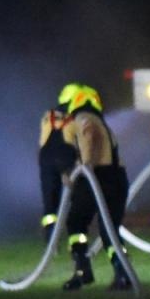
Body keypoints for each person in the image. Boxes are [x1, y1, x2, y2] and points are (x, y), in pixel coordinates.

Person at [55, 85, 133, 291]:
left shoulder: (83, 118)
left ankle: (82, 271)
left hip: (97, 177)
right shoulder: (103, 122)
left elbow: (88, 134)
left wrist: (84, 165)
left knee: (76, 223)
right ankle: (122, 272)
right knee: (110, 230)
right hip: (118, 178)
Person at [37, 83, 84, 233]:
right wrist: (68, 169)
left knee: (49, 198)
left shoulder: (47, 116)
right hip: (66, 158)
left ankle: (50, 236)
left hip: (46, 158)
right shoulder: (76, 120)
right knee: (76, 196)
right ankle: (75, 232)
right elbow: (80, 144)